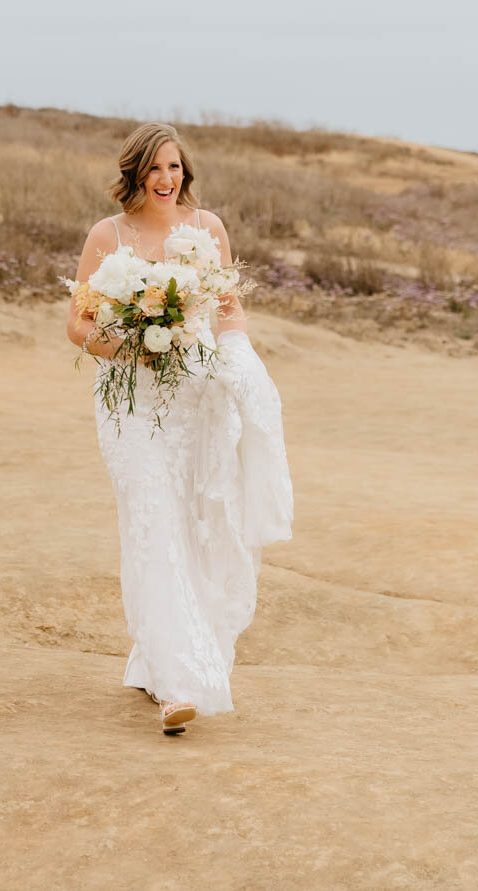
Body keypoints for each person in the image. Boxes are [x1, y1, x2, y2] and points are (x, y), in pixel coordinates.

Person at [64, 122, 294, 735]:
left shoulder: (207, 229)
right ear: (134, 172)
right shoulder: (107, 236)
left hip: (196, 400)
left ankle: (154, 656)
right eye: (155, 169)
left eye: (175, 168)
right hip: (130, 402)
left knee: (195, 524)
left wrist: (239, 356)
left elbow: (228, 308)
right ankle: (176, 684)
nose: (167, 180)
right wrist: (130, 348)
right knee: (152, 522)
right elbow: (78, 326)